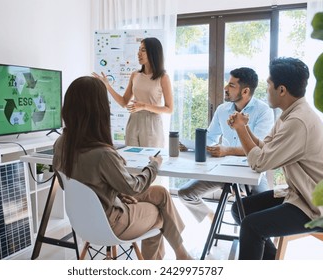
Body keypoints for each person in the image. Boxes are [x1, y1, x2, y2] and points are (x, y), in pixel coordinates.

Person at [52, 76, 191, 260]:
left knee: (161, 194)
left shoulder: (61, 143)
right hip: (111, 222)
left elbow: (74, 185)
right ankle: (168, 262)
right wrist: (153, 166)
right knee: (160, 215)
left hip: (84, 220)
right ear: (99, 110)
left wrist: (116, 195)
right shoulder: (102, 154)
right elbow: (134, 187)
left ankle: (181, 254)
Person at [228, 57, 323, 260]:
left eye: (269, 84)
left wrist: (241, 129)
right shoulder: (289, 114)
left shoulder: (298, 121)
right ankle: (270, 260)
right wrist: (244, 127)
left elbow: (259, 163)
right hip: (300, 194)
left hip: (316, 205)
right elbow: (267, 148)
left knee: (251, 226)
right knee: (240, 209)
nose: (266, 89)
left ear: (281, 90)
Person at [178, 67, 274, 223]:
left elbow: (259, 148)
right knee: (185, 193)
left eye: (231, 85)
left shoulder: (264, 111)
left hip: (252, 170)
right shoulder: (222, 110)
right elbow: (210, 138)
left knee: (265, 210)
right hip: (224, 170)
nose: (225, 88)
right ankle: (211, 217)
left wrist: (227, 150)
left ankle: (256, 237)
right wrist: (190, 146)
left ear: (245, 91)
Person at [92, 37, 173, 148]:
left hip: (152, 124)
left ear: (153, 52)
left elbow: (169, 109)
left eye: (143, 50)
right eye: (139, 49)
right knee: (131, 158)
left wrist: (144, 106)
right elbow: (124, 102)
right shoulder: (135, 75)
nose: (138, 53)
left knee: (150, 159)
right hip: (133, 121)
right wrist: (107, 86)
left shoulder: (163, 77)